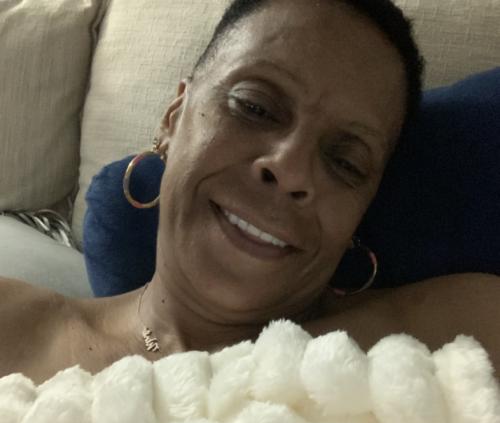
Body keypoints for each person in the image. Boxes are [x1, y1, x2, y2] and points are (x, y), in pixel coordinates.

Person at [0, 0, 498, 385]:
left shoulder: (459, 333)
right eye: (255, 107)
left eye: (346, 163)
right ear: (173, 117)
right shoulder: (12, 323)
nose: (291, 169)